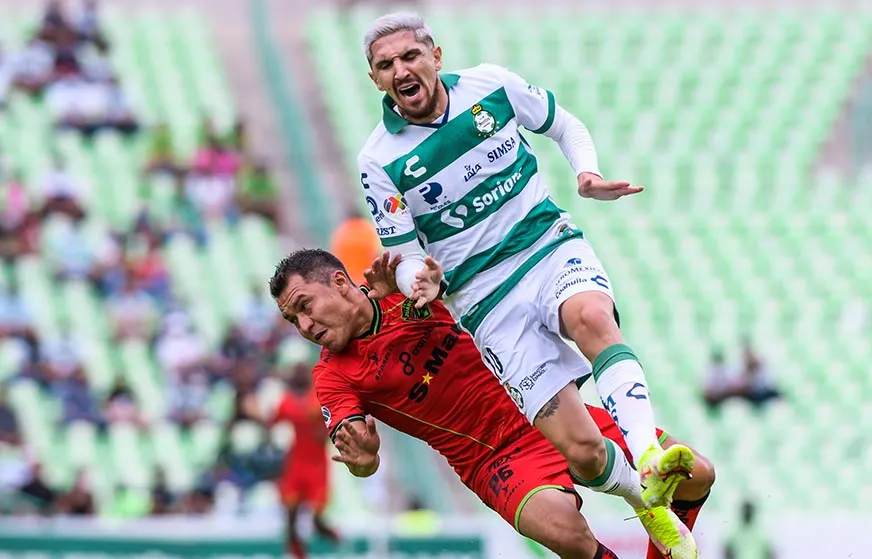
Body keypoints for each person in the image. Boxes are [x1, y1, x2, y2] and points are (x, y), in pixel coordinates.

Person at [355, 11, 691, 511]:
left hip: (546, 245)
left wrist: (586, 174)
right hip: (484, 298)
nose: (401, 70)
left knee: (592, 317)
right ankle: (647, 501)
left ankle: (646, 453)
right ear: (375, 78)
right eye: (386, 65)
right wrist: (416, 281)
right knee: (583, 452)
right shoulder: (378, 160)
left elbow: (564, 125)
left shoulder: (491, 86)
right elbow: (403, 257)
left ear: (435, 56)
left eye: (410, 56)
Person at [269, 249, 715, 559]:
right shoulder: (331, 374)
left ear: (340, 282)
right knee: (566, 532)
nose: (304, 325)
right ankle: (641, 503)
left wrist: (428, 284)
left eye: (305, 306)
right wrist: (363, 460)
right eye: (293, 319)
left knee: (698, 475)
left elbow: (465, 278)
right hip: (490, 456)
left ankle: (652, 515)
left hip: (544, 406)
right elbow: (359, 455)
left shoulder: (405, 285)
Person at [242, 363, 339, 558]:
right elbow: (271, 422)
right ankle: (296, 551)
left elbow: (331, 422)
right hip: (296, 462)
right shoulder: (288, 402)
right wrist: (255, 413)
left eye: (302, 373)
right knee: (291, 513)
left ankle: (329, 536)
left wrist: (325, 430)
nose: (299, 377)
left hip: (317, 464)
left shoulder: (318, 397)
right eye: (296, 373)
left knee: (316, 516)